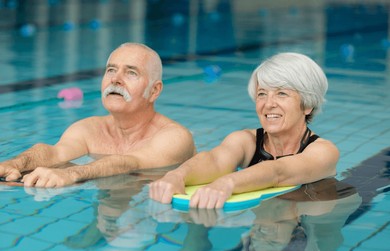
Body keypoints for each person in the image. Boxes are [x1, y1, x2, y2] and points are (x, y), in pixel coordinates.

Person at [149, 52, 339, 208]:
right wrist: (176, 176)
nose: (268, 104)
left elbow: (278, 171)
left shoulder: (323, 152)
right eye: (262, 94)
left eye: (282, 93)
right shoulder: (245, 141)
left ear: (308, 105)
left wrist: (227, 183)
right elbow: (214, 161)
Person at [0, 42, 195, 188]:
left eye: (131, 73)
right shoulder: (88, 128)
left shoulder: (174, 137)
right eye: (111, 70)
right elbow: (54, 153)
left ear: (154, 91)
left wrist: (72, 174)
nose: (115, 80)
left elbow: (130, 163)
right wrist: (14, 163)